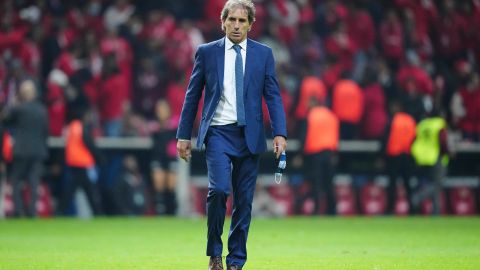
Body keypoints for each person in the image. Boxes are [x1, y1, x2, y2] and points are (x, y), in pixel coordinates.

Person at [176, 1, 287, 269]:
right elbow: (193, 95)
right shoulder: (207, 53)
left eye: (242, 21)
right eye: (232, 20)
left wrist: (280, 133)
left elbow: (272, 94)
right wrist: (183, 135)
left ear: (251, 24)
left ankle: (236, 260)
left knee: (245, 202)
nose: (236, 25)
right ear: (223, 22)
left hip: (250, 135)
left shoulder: (264, 54)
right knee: (219, 190)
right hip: (218, 133)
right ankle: (215, 253)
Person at [3, 79, 48, 218]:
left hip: (21, 150)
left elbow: (4, 119)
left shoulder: (19, 108)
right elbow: (46, 131)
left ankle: (18, 211)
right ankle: (32, 212)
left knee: (16, 180)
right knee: (33, 182)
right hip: (38, 150)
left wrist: (12, 104)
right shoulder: (42, 109)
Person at [58, 108, 103, 216]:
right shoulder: (81, 127)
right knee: (87, 189)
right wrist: (100, 157)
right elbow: (89, 143)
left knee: (74, 188)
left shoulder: (71, 127)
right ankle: (97, 212)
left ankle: (60, 210)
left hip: (73, 161)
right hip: (82, 162)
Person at [300, 98, 339, 215]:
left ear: (313, 103)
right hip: (330, 153)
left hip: (315, 153)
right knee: (329, 183)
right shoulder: (331, 115)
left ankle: (317, 210)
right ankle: (332, 210)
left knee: (316, 183)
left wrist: (301, 154)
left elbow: (304, 136)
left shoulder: (311, 115)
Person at [380, 101, 416, 215]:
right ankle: (412, 209)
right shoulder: (410, 120)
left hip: (394, 156)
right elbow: (415, 137)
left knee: (392, 184)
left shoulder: (393, 120)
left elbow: (385, 138)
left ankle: (390, 209)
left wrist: (382, 155)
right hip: (406, 155)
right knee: (407, 184)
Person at [150, 99, 178, 215]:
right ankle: (160, 213)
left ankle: (172, 213)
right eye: (159, 109)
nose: (161, 111)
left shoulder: (175, 124)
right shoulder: (153, 127)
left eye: (163, 108)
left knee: (171, 186)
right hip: (158, 157)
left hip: (171, 157)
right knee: (158, 185)